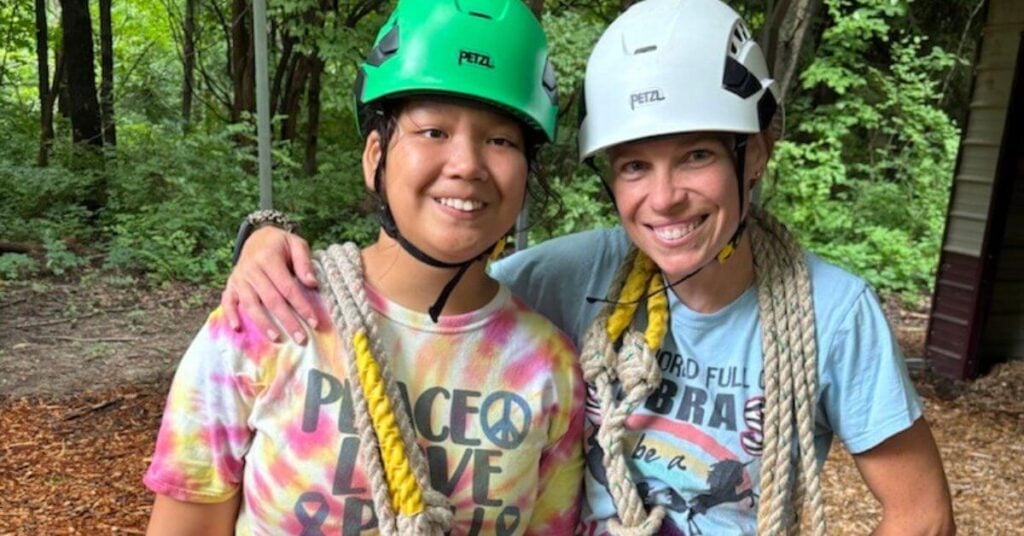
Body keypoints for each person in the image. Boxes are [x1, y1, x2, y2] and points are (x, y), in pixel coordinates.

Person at [221, 0, 955, 534]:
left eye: (696, 154)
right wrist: (268, 236)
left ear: (754, 152)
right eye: (635, 165)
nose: (664, 197)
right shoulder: (569, 278)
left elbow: (921, 515)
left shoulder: (833, 311)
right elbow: (431, 285)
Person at [144, 0, 584, 534]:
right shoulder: (267, 318)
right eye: (433, 132)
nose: (468, 164)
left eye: (500, 140)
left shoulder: (551, 368)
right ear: (375, 155)